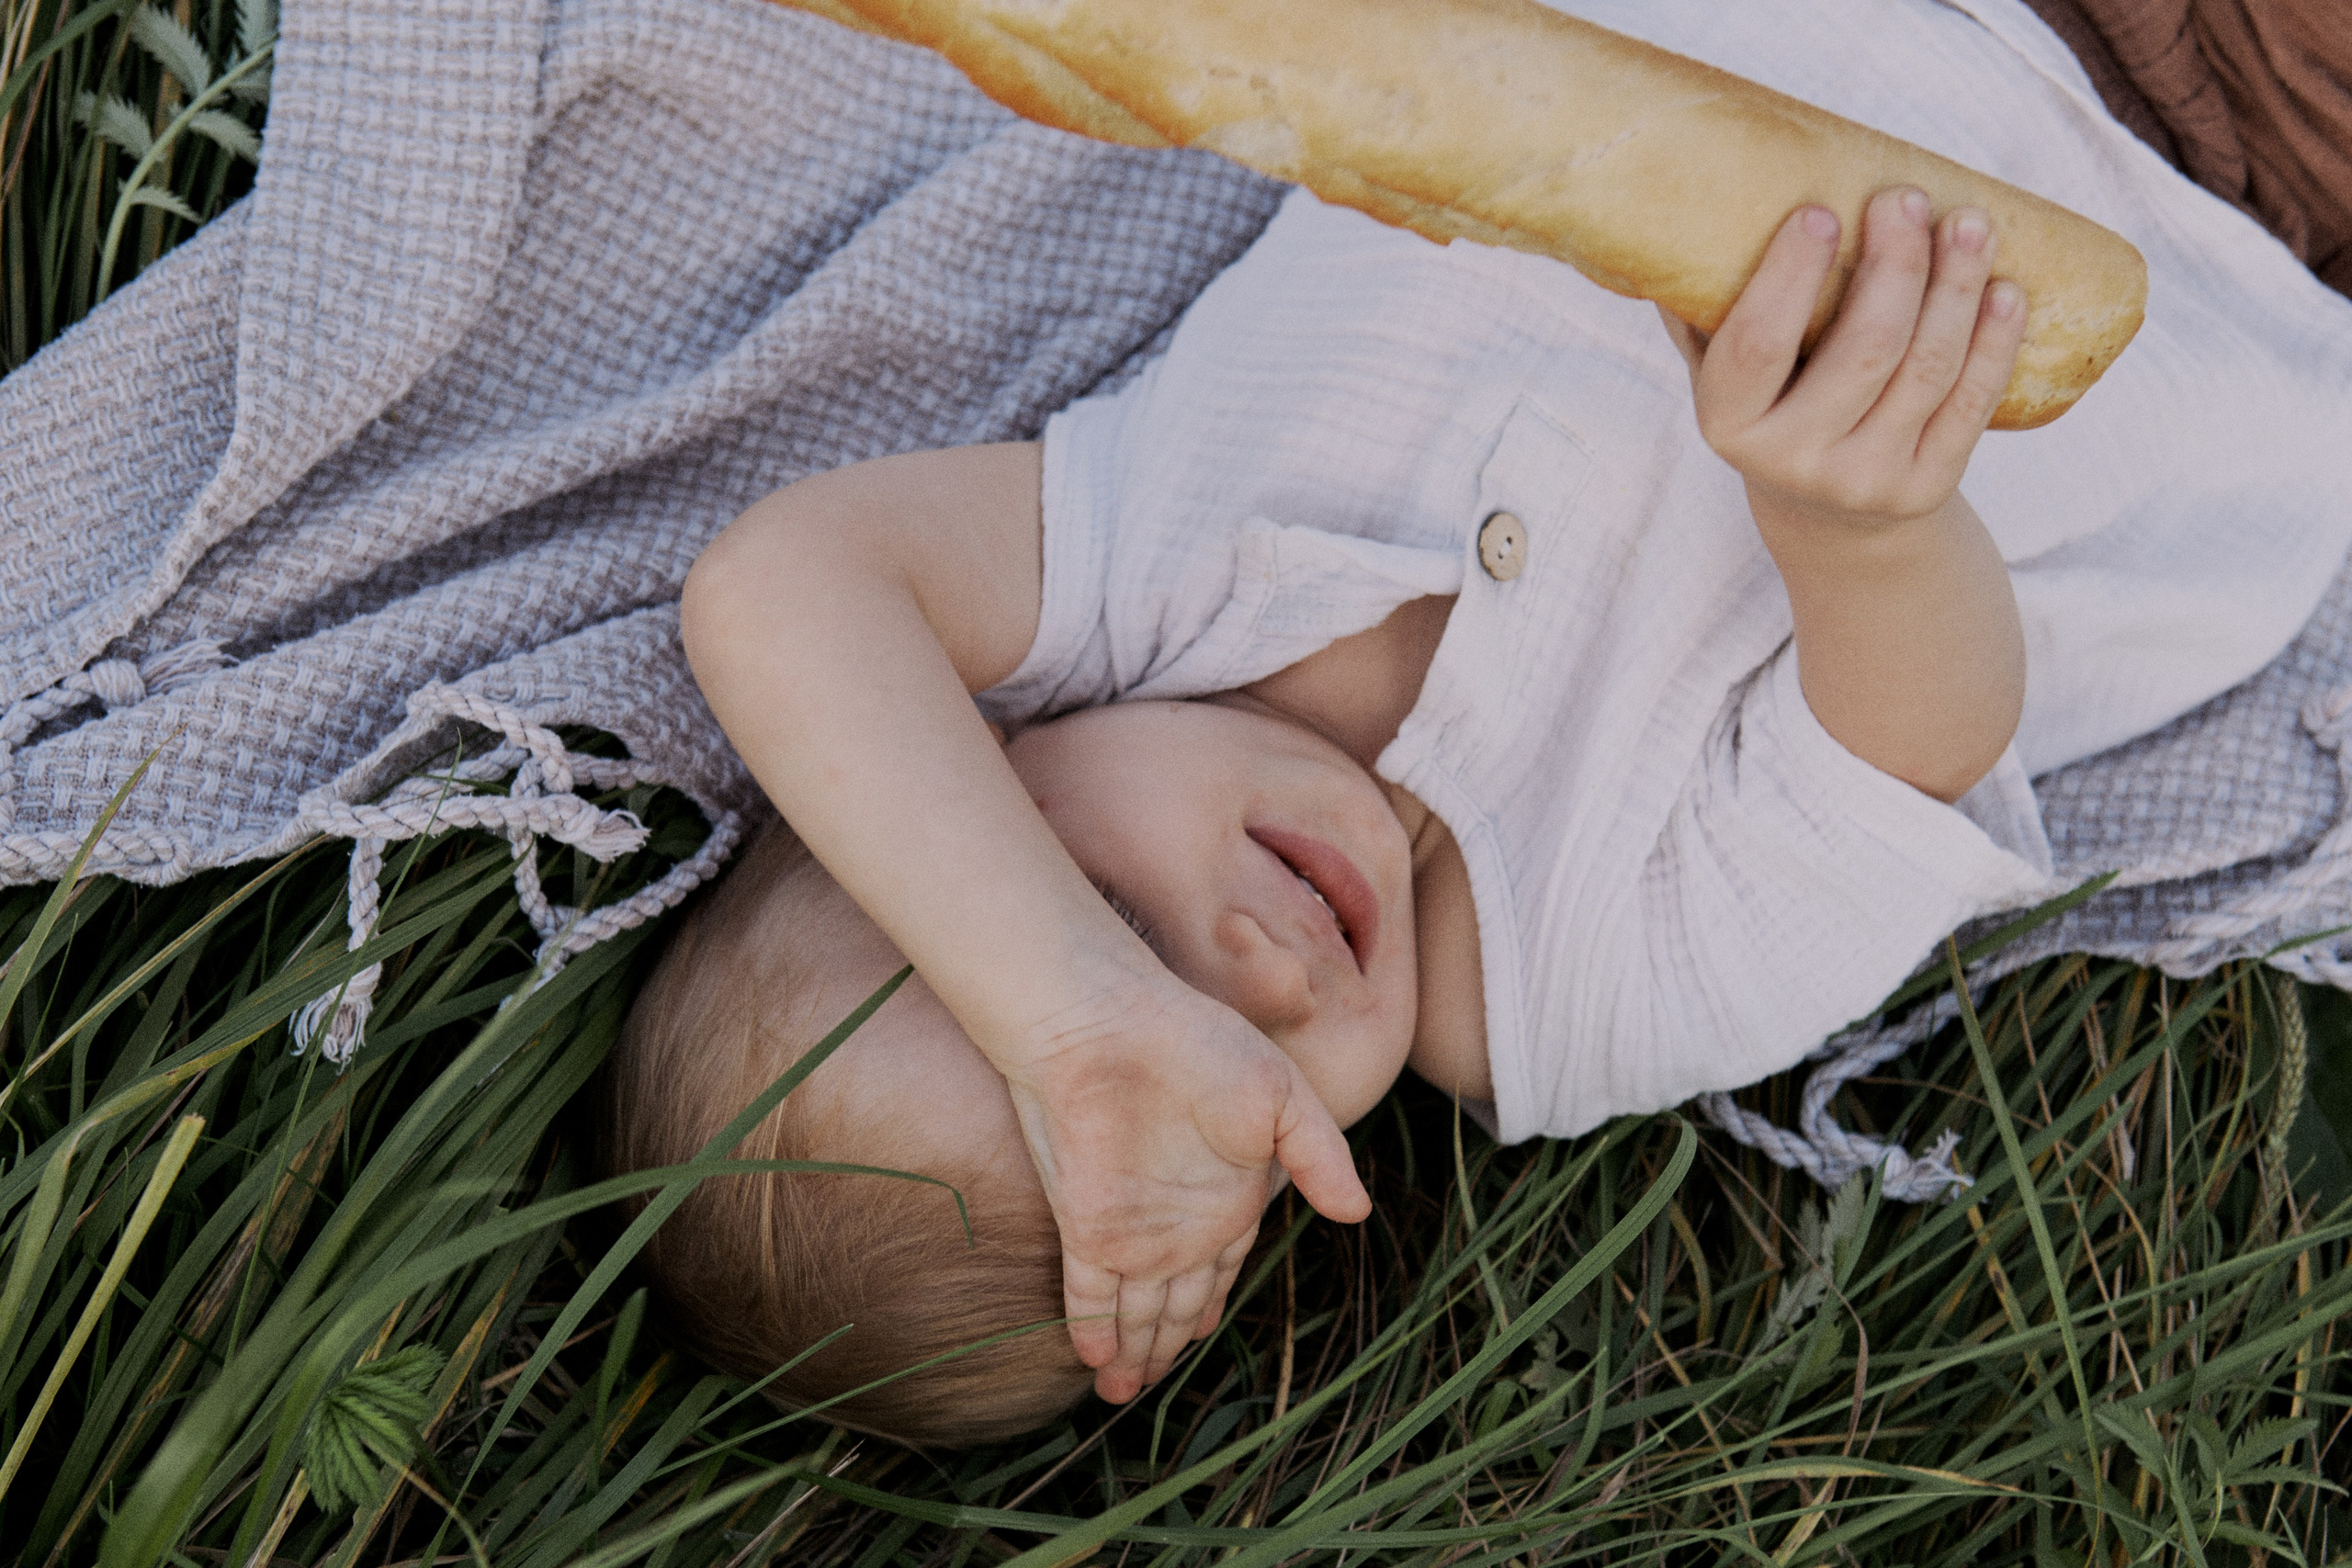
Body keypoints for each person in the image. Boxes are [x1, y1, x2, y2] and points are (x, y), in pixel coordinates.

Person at [603, 0, 2352, 1446]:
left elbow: (775, 591)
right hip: (2209, 188)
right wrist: (1861, 529)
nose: (1259, 966)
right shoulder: (1566, 994)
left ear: (964, 776)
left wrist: (1071, 1027)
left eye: (1109, 929)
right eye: (1245, 1095)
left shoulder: (1132, 578)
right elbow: (1914, 759)